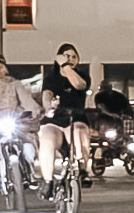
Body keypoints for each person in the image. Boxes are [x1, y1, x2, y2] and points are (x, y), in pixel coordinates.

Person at [0, 55, 42, 194]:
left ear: (5, 68)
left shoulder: (16, 85)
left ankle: (29, 172)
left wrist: (35, 111)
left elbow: (26, 100)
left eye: (0, 67)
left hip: (16, 122)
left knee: (29, 146)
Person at [36, 42, 93, 189]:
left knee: (79, 132)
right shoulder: (51, 77)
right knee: (47, 139)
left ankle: (82, 170)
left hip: (76, 117)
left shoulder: (82, 76)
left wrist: (66, 66)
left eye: (74, 57)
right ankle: (47, 181)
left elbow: (79, 85)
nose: (71, 59)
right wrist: (49, 107)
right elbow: (47, 94)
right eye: (67, 56)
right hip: (55, 118)